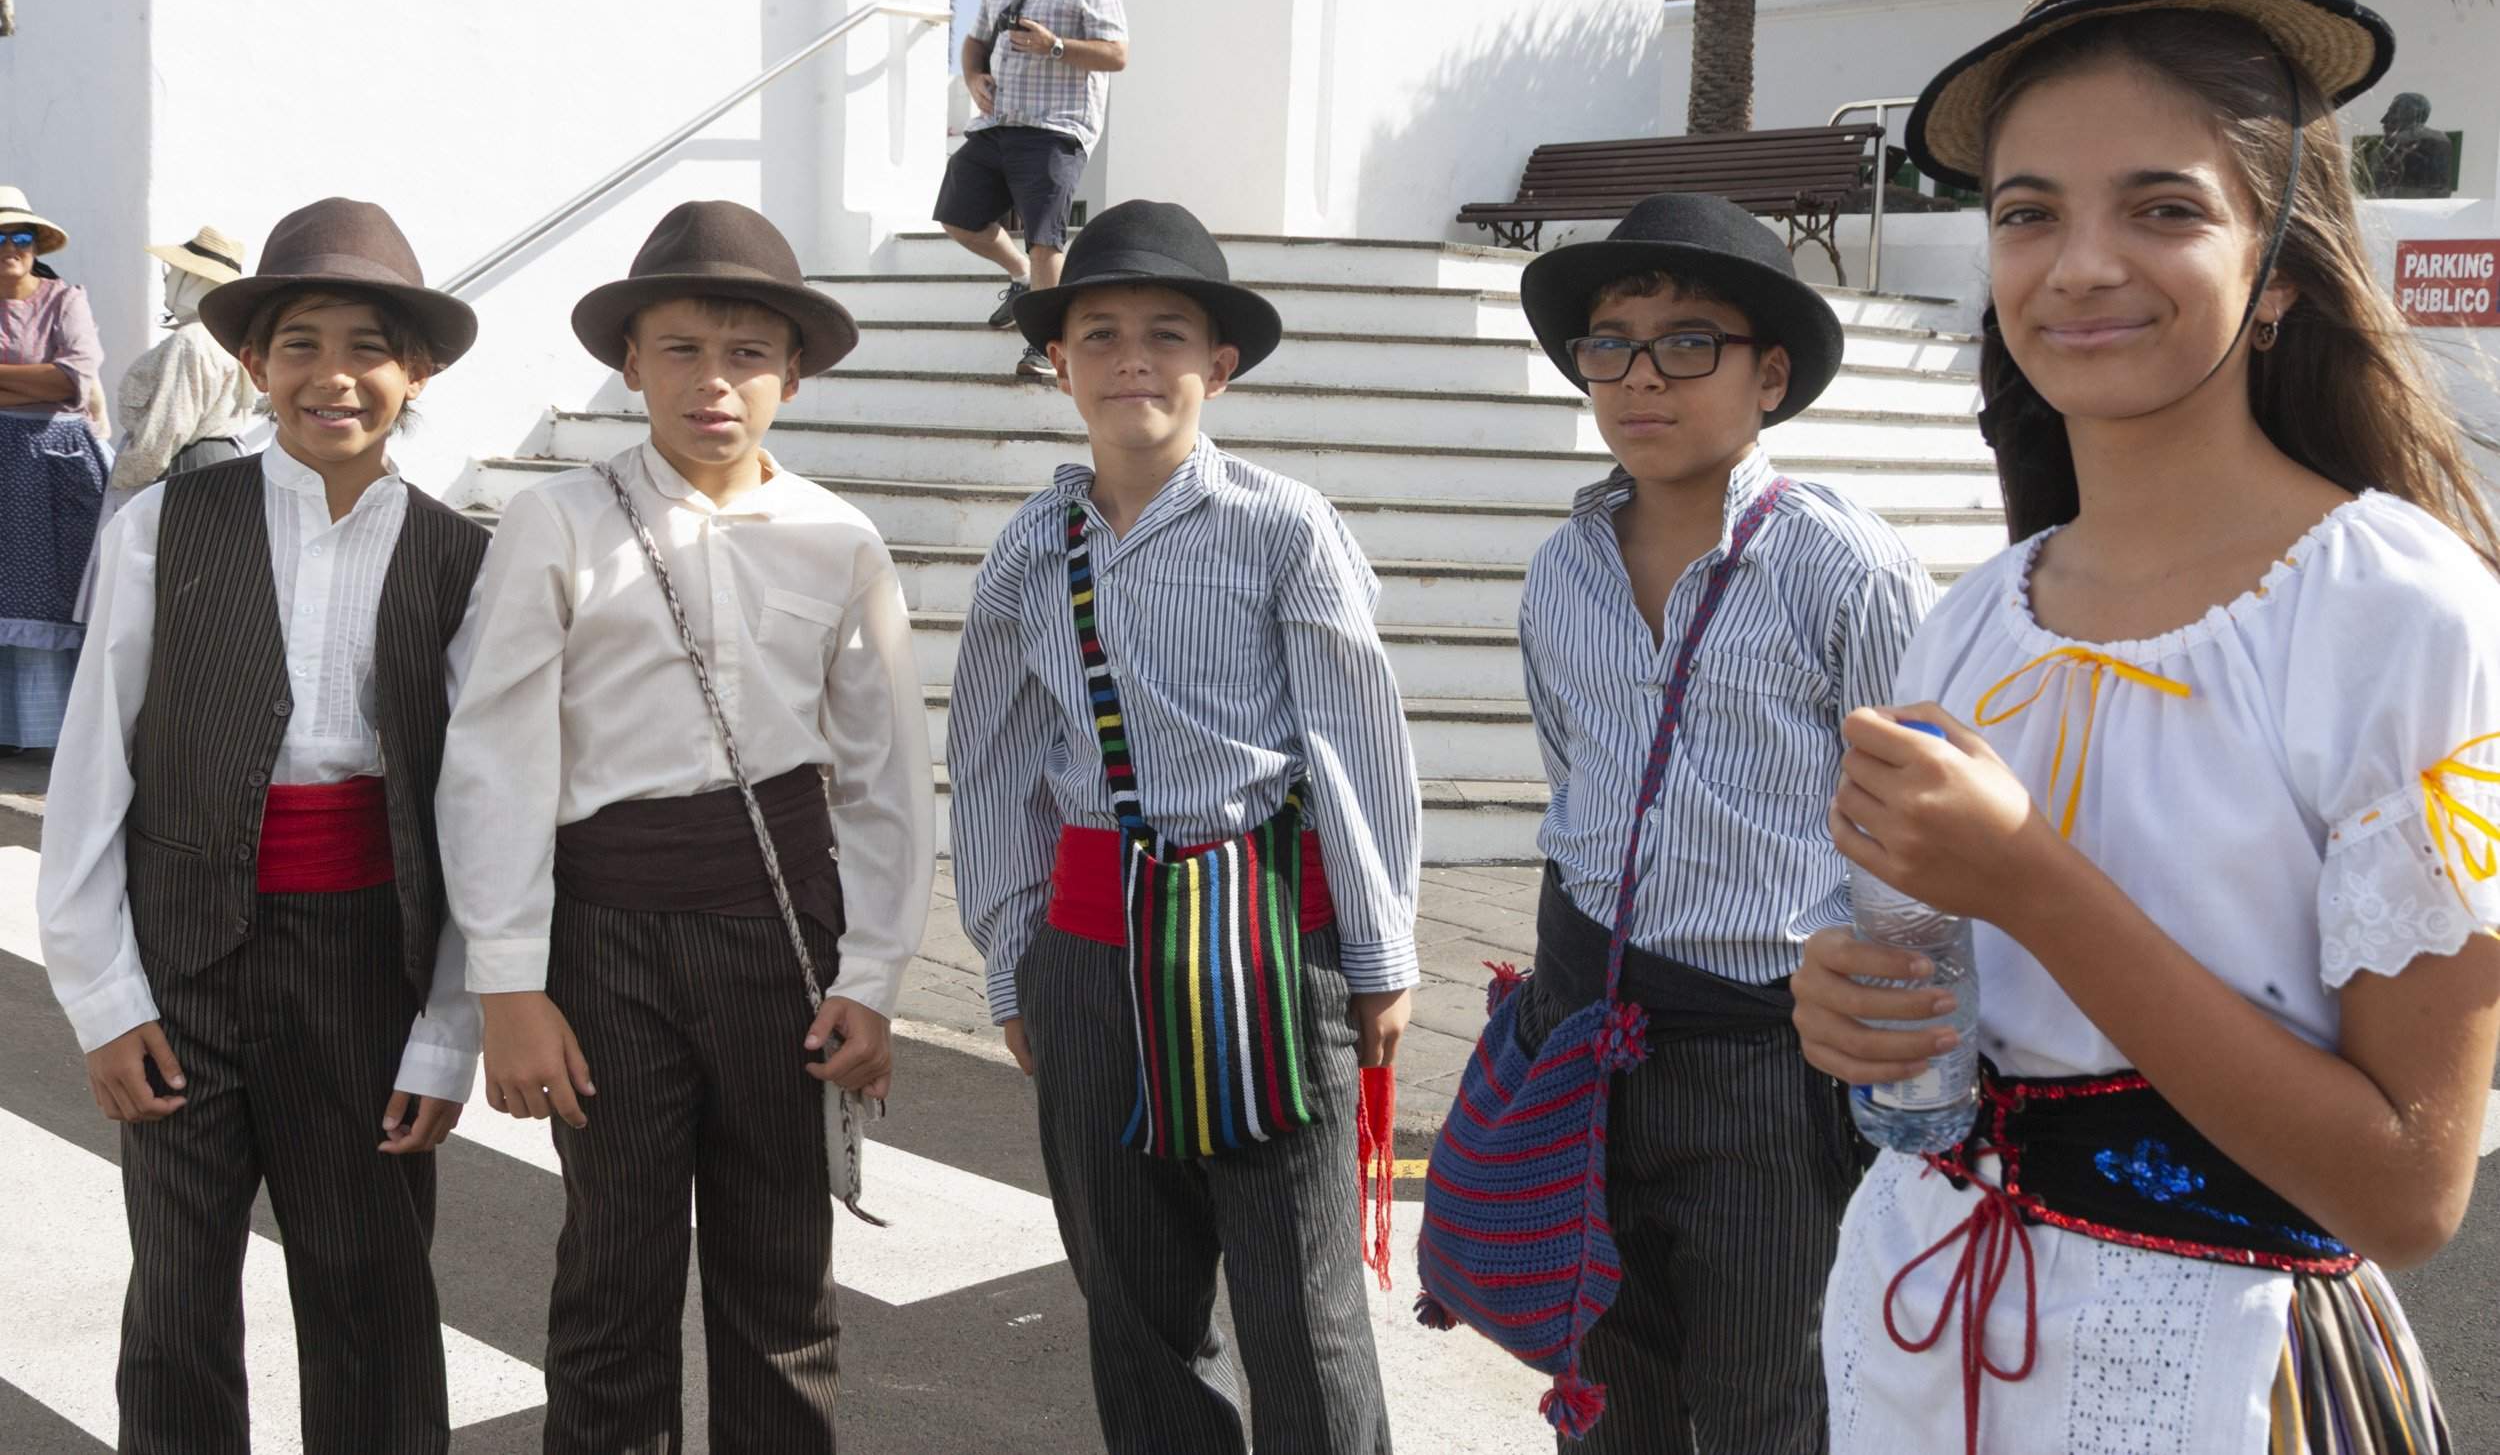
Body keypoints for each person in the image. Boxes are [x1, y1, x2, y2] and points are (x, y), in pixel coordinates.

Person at [1793, 0, 2500, 1455]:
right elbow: (1940, 1006)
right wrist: (1850, 1006)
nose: (2082, 263)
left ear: (2282, 267)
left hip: (2227, 1377)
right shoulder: (1973, 619)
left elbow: (2406, 1187)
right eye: (2027, 212)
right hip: (1933, 1342)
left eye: (2164, 207)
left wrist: (2031, 883)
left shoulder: (2398, 607)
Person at [436, 199, 935, 1454]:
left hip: (780, 930)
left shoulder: (840, 539)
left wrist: (871, 973)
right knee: (614, 1273)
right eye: (680, 349)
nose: (715, 381)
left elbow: (882, 776)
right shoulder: (559, 521)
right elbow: (494, 751)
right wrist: (508, 982)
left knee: (782, 1277)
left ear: (794, 374)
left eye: (749, 352)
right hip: (604, 933)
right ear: (628, 361)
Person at [948, 199, 1420, 1455]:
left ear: (1220, 365)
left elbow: (1355, 739)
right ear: (1060, 364)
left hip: (1265, 949)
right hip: (1092, 957)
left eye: (1167, 334)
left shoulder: (1285, 527)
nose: (1132, 361)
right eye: (1097, 334)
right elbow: (991, 769)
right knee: (1133, 1305)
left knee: (1300, 1310)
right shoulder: (1025, 552)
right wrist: (1012, 958)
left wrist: (1378, 952)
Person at [34, 196, 489, 1453]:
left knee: (370, 1294)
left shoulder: (463, 560)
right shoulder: (164, 526)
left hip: (369, 961)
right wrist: (105, 993)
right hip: (183, 960)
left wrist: (449, 1027)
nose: (332, 376)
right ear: (252, 362)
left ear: (420, 369)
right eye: (299, 342)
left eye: (366, 346)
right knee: (176, 1303)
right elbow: (92, 772)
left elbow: (480, 817)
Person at [1500, 192, 1934, 1450]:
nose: (1641, 376)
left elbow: (1918, 848)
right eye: (1609, 342)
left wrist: (1913, 1092)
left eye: (1689, 341)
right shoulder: (1560, 568)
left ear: (1770, 374)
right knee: (1601, 1395)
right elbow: (1573, 777)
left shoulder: (1841, 569)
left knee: (1769, 1404)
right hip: (1583, 1037)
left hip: (1765, 1065)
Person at [936, 0, 1128, 371]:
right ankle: (1021, 273)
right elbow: (975, 40)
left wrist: (1056, 46)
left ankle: (1044, 346)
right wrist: (975, 75)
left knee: (1046, 236)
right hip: (997, 125)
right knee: (957, 214)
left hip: (1055, 128)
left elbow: (1116, 55)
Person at [0, 184, 109, 754]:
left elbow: (76, 379)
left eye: (20, 236)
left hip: (52, 462)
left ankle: (47, 733)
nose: (10, 246)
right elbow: (56, 379)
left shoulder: (65, 299)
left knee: (53, 591)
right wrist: (38, 379)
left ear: (36, 243)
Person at [113, 225, 265, 494]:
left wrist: (124, 480)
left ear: (191, 280)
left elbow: (170, 424)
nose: (167, 279)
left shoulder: (192, 340)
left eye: (175, 272)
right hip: (219, 464)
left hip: (187, 468)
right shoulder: (227, 333)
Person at [2366, 90, 2452, 198]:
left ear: (2413, 114)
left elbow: (2439, 192)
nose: (2383, 120)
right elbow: (2373, 193)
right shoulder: (2379, 152)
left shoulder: (2436, 141)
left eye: (2393, 112)